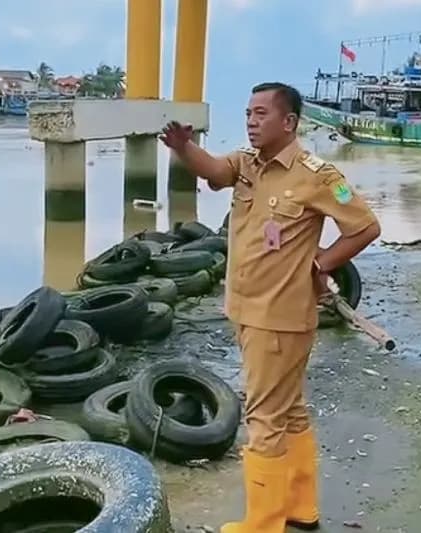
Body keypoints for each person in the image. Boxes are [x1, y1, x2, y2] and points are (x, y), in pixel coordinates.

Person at [160, 82, 381, 533]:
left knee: (263, 416)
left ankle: (263, 523)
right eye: (247, 113)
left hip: (278, 316)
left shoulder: (317, 176)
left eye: (261, 113)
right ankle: (300, 509)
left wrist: (322, 263)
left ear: (290, 122)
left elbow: (364, 227)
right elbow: (216, 172)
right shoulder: (247, 164)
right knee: (288, 409)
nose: (251, 121)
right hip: (247, 308)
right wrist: (185, 147)